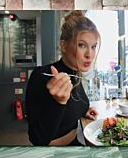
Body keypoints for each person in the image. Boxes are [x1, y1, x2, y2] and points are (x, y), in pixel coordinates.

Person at [26, 11, 100, 146]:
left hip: (77, 143)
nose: (90, 54)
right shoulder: (41, 76)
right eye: (82, 45)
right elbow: (36, 139)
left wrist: (84, 111)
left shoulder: (76, 74)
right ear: (64, 45)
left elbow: (72, 108)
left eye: (93, 46)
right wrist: (58, 103)